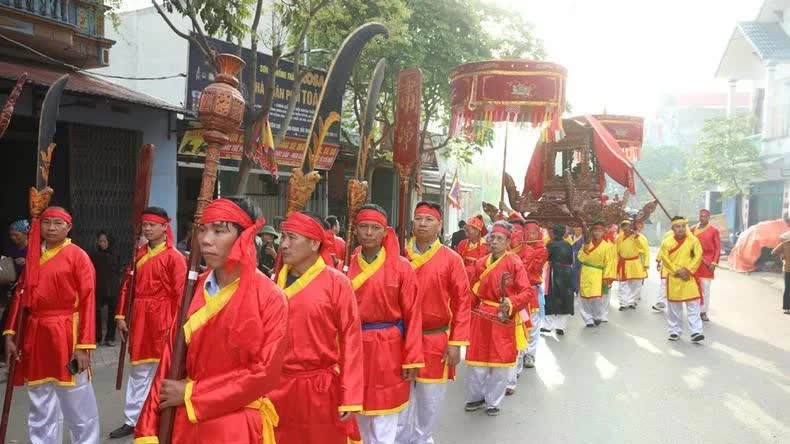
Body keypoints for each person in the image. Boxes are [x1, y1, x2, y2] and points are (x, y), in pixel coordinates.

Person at [133, 197, 288, 443]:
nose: (206, 240)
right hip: (185, 423)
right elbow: (169, 362)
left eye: (219, 231)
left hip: (236, 424)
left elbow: (264, 373)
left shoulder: (270, 297)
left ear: (244, 237)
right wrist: (148, 429)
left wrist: (192, 393)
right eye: (203, 230)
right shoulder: (193, 290)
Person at [4, 207, 99, 443]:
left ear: (69, 227)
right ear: (39, 227)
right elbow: (20, 297)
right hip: (37, 333)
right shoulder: (33, 257)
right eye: (47, 223)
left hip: (67, 332)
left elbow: (88, 301)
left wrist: (83, 346)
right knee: (40, 397)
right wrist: (10, 333)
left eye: (58, 223)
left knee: (76, 400)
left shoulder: (78, 256)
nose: (52, 228)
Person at [269, 211, 363, 444]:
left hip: (319, 389)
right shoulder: (271, 284)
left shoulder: (337, 283)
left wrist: (350, 394)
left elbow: (351, 340)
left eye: (292, 237)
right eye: (283, 237)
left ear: (314, 243)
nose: (284, 245)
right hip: (275, 388)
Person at [347, 204, 423, 444]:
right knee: (357, 413)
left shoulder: (402, 267)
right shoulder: (344, 267)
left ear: (385, 232)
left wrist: (412, 357)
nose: (369, 233)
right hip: (355, 347)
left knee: (384, 416)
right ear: (355, 231)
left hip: (389, 346)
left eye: (375, 228)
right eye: (363, 227)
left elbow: (413, 314)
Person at [396, 201, 471, 444]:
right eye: (418, 218)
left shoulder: (451, 259)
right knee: (400, 397)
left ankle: (422, 438)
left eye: (429, 220)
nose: (422, 224)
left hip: (435, 338)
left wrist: (457, 343)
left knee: (430, 399)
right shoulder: (398, 256)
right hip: (401, 339)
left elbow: (462, 302)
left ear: (439, 225)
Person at [110, 207, 188, 439]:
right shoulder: (138, 256)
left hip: (165, 317)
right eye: (145, 225)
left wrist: (177, 326)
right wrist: (121, 316)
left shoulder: (175, 258)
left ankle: (159, 417)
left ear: (165, 227)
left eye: (152, 225)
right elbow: (126, 288)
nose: (147, 228)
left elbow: (181, 296)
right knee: (138, 371)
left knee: (163, 371)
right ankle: (132, 419)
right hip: (141, 318)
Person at [465, 221, 533, 415]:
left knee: (500, 362)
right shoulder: (480, 263)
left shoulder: (514, 262)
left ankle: (493, 401)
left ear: (507, 242)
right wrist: (465, 313)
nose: (494, 242)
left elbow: (526, 291)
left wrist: (511, 303)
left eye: (499, 239)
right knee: (476, 360)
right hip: (481, 315)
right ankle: (476, 397)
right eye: (492, 238)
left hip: (503, 316)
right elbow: (472, 292)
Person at [658, 216, 705, 342]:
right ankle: (674, 331)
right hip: (674, 277)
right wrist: (676, 271)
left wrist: (688, 270)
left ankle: (696, 331)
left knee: (693, 305)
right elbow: (665, 259)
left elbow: (698, 256)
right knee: (674, 307)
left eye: (683, 226)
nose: (681, 229)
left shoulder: (693, 241)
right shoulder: (666, 243)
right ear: (673, 228)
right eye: (678, 226)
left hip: (689, 277)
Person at [577, 221, 617, 327]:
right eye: (595, 230)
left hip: (598, 274)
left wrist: (607, 277)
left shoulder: (606, 246)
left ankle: (597, 315)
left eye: (600, 231)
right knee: (584, 297)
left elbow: (609, 263)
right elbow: (580, 258)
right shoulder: (586, 243)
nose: (597, 233)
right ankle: (588, 318)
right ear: (592, 231)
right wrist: (585, 249)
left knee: (596, 297)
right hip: (586, 271)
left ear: (603, 232)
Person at [521, 219, 547, 368]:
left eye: (534, 233)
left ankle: (530, 354)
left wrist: (527, 252)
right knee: (522, 322)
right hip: (519, 295)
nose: (531, 236)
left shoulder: (542, 250)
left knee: (534, 324)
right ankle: (521, 352)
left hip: (532, 293)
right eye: (528, 232)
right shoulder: (517, 249)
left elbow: (532, 269)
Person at [544, 224, 575, 335]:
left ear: (554, 232)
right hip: (567, 273)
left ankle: (548, 325)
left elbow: (546, 257)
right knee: (565, 297)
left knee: (551, 297)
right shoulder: (568, 244)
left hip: (555, 272)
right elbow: (571, 260)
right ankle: (561, 326)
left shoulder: (550, 244)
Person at [91, 230, 120, 347]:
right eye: (100, 241)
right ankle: (97, 338)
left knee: (112, 313)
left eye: (104, 241)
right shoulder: (94, 255)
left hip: (112, 288)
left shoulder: (115, 254)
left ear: (109, 242)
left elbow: (117, 270)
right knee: (96, 312)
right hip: (99, 287)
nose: (102, 243)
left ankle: (110, 337)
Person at [691, 209, 721, 322]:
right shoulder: (692, 229)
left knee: (705, 288)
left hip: (707, 263)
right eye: (701, 216)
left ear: (708, 218)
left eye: (705, 216)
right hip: (694, 262)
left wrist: (714, 262)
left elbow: (718, 248)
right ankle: (694, 310)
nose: (702, 218)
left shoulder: (714, 231)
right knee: (694, 287)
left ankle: (703, 312)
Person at [615, 219, 649, 310]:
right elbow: (616, 251)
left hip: (635, 262)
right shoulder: (618, 238)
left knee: (636, 283)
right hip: (623, 262)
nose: (626, 227)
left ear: (631, 226)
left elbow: (643, 249)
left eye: (628, 225)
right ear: (621, 227)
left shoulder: (637, 236)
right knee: (623, 284)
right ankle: (623, 303)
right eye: (623, 225)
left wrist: (646, 263)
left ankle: (631, 301)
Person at [454, 215, 488, 281]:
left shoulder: (486, 246)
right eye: (466, 231)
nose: (466, 234)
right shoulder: (462, 244)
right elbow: (457, 261)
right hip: (463, 278)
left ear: (477, 231)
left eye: (468, 231)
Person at [771, 237, 790, 314]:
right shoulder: (784, 244)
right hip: (787, 269)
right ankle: (786, 308)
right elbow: (774, 252)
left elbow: (773, 253)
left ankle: (787, 307)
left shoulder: (784, 244)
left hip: (787, 269)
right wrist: (781, 256)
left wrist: (782, 257)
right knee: (788, 289)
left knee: (788, 288)